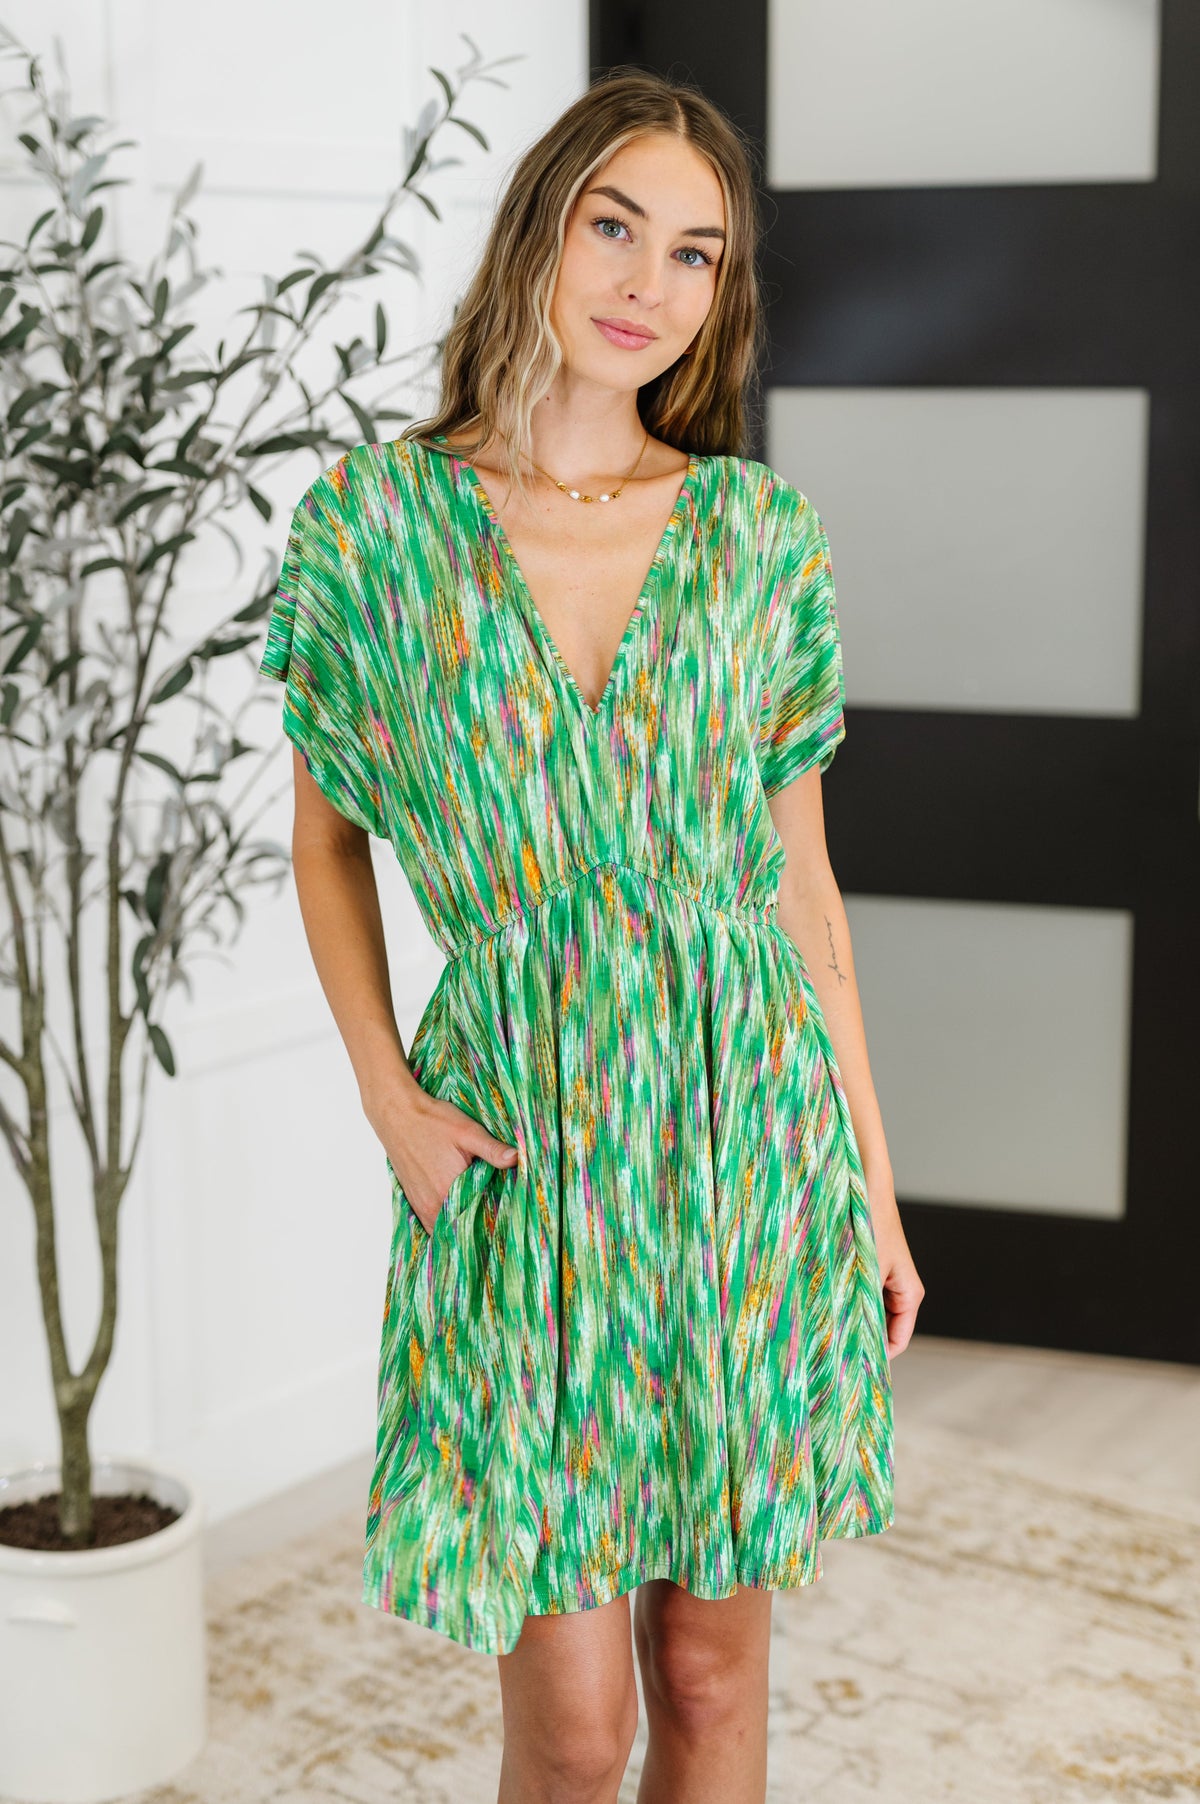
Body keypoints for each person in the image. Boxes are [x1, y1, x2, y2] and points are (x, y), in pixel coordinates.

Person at [259, 64, 924, 1804]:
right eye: (614, 226)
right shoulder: (374, 530)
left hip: (739, 1140)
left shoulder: (756, 536)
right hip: (522, 1151)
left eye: (696, 253)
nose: (649, 282)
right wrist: (388, 1099)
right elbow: (326, 842)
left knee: (707, 1680)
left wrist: (869, 1182)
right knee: (572, 1731)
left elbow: (805, 897)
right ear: (538, 233)